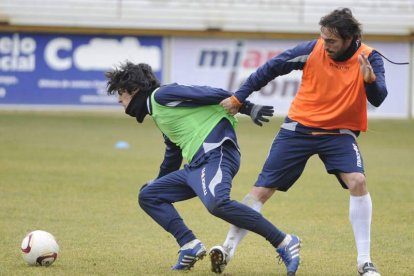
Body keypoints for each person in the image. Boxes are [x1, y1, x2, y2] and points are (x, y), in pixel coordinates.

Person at [210, 8, 386, 276]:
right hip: (297, 130)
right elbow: (271, 68)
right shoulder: (312, 49)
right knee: (261, 191)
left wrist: (370, 81)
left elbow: (378, 97)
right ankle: (227, 249)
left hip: (338, 134)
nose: (324, 45)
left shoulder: (370, 57)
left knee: (358, 182)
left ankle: (365, 262)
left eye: (331, 41)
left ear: (350, 38)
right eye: (323, 39)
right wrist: (238, 97)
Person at [105, 61, 302, 275]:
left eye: (121, 93)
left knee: (217, 203)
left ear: (134, 90)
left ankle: (284, 241)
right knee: (149, 195)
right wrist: (159, 180)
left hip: (216, 154)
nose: (119, 99)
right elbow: (173, 153)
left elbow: (212, 93)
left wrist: (248, 108)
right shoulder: (159, 113)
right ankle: (189, 245)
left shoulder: (162, 95)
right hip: (196, 167)